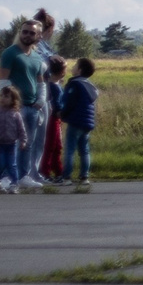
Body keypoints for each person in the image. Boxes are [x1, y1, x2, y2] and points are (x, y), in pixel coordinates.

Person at [0, 21, 44, 187]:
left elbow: (40, 82)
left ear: (38, 36)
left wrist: (41, 100)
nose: (27, 35)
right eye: (25, 32)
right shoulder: (10, 53)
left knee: (28, 143)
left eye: (32, 33)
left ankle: (24, 175)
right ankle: (6, 177)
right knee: (11, 143)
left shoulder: (37, 57)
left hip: (32, 107)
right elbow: (3, 81)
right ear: (20, 33)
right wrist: (6, 105)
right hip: (16, 107)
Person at [60, 56, 100, 187]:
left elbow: (69, 102)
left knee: (70, 150)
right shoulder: (90, 86)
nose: (73, 67)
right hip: (87, 122)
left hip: (75, 121)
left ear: (80, 70)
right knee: (84, 150)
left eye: (75, 65)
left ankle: (67, 177)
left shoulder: (74, 84)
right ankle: (84, 177)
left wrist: (62, 114)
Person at [0, 84, 28, 191]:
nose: (3, 98)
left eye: (6, 97)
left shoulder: (15, 114)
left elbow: (21, 129)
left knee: (11, 164)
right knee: (1, 164)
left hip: (11, 144)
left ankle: (14, 183)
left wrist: (23, 141)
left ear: (13, 100)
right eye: (1, 96)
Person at [39, 57, 68, 183]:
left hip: (55, 119)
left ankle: (57, 170)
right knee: (51, 145)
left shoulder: (55, 85)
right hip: (53, 118)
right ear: (61, 72)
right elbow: (57, 104)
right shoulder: (53, 87)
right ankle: (45, 171)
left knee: (56, 145)